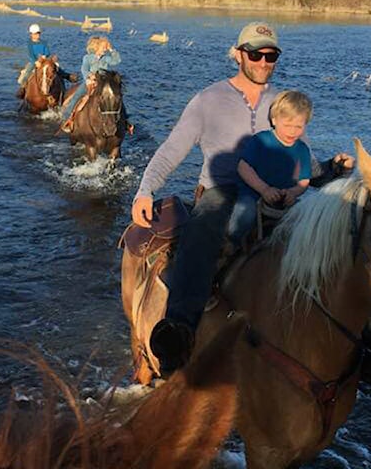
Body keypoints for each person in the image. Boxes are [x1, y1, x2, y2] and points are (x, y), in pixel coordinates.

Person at [130, 21, 355, 375]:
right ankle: (179, 330)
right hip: (223, 190)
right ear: (238, 55)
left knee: (335, 244)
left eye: (271, 55)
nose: (264, 61)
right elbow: (174, 148)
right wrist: (146, 189)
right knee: (201, 231)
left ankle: (356, 342)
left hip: (280, 196)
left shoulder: (280, 103)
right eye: (256, 53)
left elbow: (300, 161)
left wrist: (333, 169)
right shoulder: (208, 100)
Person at [227, 90, 313, 246]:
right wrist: (264, 189)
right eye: (287, 125)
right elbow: (243, 167)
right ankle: (230, 247)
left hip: (285, 197)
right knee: (244, 215)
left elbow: (304, 179)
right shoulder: (261, 141)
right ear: (274, 120)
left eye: (298, 126)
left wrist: (293, 192)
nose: (292, 131)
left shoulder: (302, 149)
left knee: (308, 220)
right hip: (254, 193)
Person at [60, 35, 121, 131]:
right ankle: (66, 118)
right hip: (90, 82)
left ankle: (124, 120)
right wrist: (88, 77)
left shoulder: (105, 58)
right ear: (96, 47)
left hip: (102, 83)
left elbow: (117, 61)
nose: (105, 49)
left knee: (116, 97)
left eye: (106, 47)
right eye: (103, 47)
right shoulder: (87, 58)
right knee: (76, 96)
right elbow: (84, 69)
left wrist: (111, 49)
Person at [16, 23, 76, 98]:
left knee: (55, 68)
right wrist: (36, 61)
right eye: (35, 34)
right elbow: (31, 54)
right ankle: (23, 87)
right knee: (28, 71)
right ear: (31, 34)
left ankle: (67, 76)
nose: (36, 35)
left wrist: (45, 56)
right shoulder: (30, 43)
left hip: (44, 59)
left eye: (38, 33)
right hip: (34, 61)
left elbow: (47, 51)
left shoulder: (43, 42)